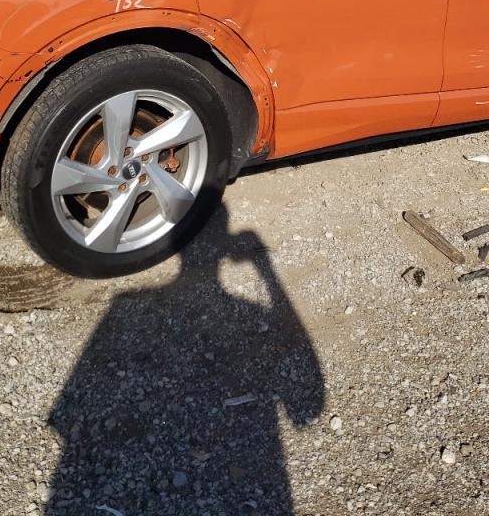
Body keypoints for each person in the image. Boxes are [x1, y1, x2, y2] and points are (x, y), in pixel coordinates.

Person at [45, 205, 324, 514]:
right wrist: (267, 272)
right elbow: (307, 410)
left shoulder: (124, 305)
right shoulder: (249, 312)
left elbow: (65, 414)